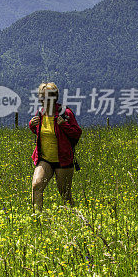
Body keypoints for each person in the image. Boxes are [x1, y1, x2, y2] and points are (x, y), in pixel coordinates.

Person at [28, 82, 82, 210]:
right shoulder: (41, 113)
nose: (42, 100)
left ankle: (73, 220)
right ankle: (37, 219)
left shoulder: (65, 112)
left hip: (63, 161)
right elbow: (41, 133)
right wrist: (32, 125)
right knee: (36, 186)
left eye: (46, 97)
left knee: (65, 195)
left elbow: (76, 134)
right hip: (45, 159)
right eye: (41, 97)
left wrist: (64, 125)